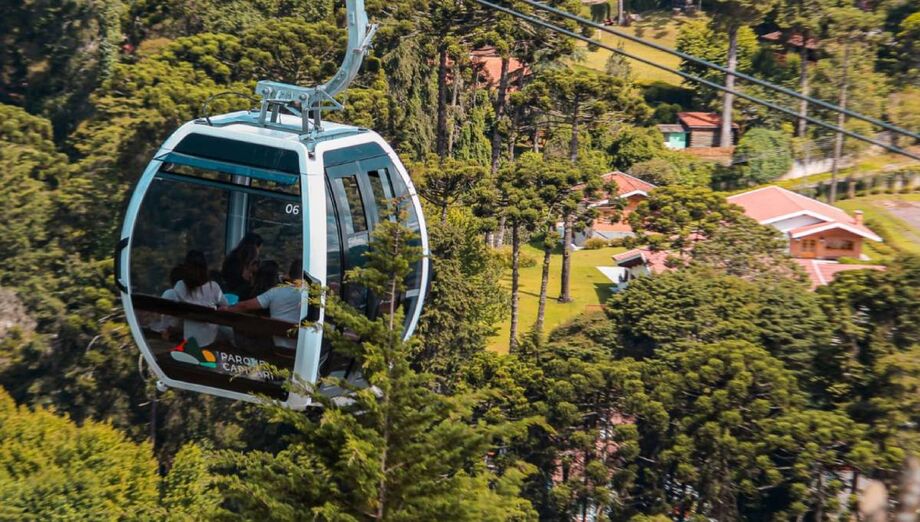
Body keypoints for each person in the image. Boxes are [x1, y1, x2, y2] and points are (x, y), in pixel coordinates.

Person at [226, 259, 303, 349]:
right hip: (301, 350)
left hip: (274, 347)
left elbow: (245, 306)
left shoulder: (276, 292)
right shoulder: (312, 296)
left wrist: (226, 309)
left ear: (290, 274)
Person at [173, 250, 228, 347]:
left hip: (189, 338)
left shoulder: (180, 286)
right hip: (211, 339)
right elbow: (225, 306)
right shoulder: (213, 287)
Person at [220, 233, 263, 299]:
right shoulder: (251, 260)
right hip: (240, 294)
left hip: (226, 292)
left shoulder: (231, 256)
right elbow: (246, 279)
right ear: (256, 247)